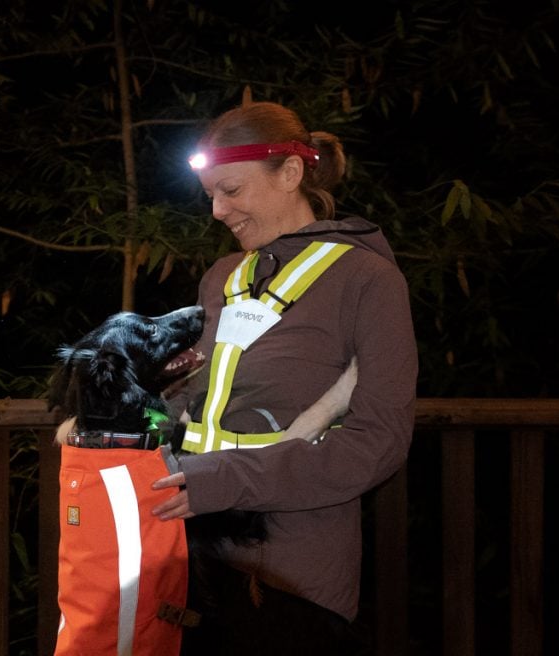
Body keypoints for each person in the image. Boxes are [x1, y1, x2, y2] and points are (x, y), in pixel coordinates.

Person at [151, 100, 417, 654]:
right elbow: (191, 398)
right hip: (193, 557)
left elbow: (378, 444)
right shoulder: (224, 275)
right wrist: (121, 423)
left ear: (291, 174)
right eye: (211, 196)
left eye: (232, 190)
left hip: (291, 573)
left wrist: (222, 480)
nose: (218, 211)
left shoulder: (368, 280)